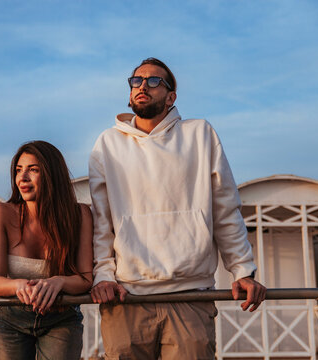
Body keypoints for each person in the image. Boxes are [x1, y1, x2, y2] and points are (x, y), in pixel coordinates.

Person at [89, 58, 266, 359]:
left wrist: (242, 269)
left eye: (154, 81)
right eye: (136, 80)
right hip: (127, 297)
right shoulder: (107, 143)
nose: (143, 85)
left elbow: (225, 208)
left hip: (190, 295)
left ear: (171, 96)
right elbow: (101, 221)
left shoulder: (200, 134)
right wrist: (103, 275)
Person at [0, 140, 93, 360]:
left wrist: (59, 281)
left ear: (52, 174)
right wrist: (18, 284)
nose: (22, 178)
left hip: (62, 318)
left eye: (33, 170)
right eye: (18, 170)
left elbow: (85, 279)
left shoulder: (80, 215)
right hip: (10, 319)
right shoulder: (1, 213)